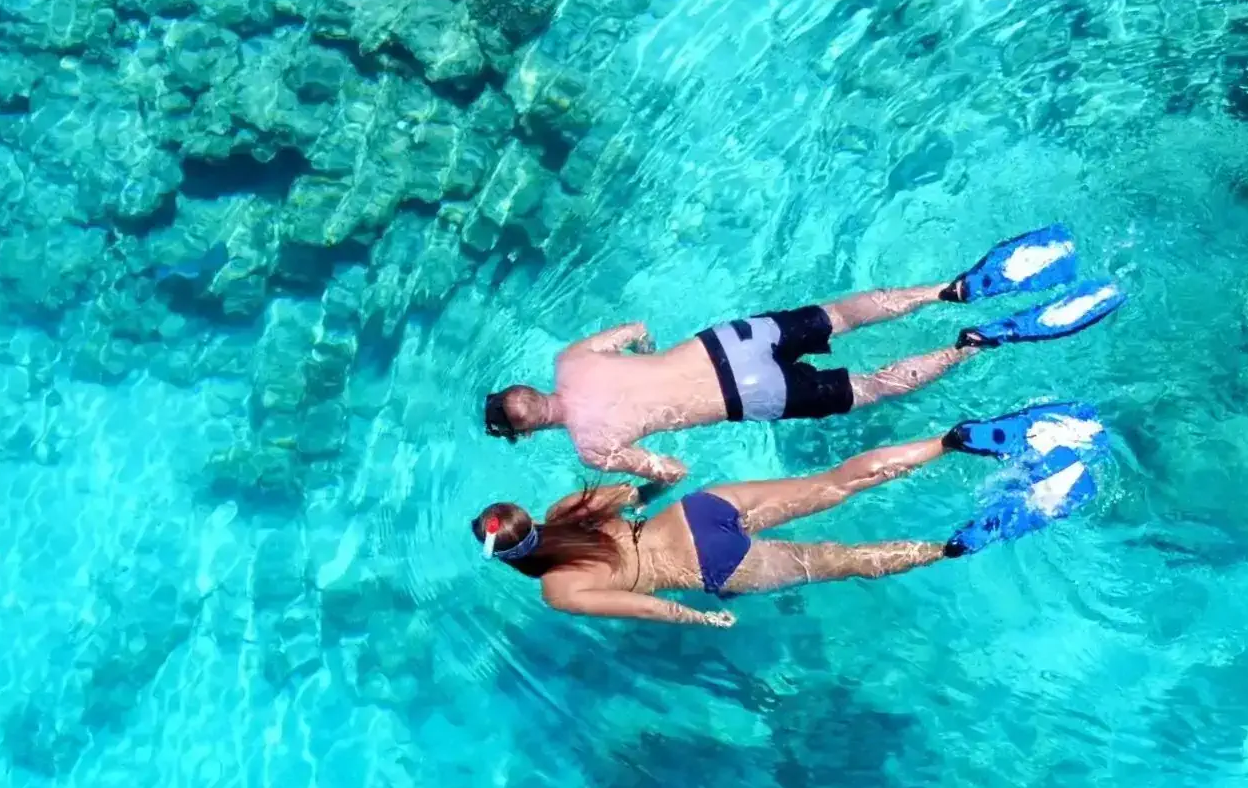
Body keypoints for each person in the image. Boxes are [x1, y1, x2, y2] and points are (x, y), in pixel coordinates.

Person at [479, 227, 1118, 485]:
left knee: (871, 387)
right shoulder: (570, 360)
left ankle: (973, 342)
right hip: (725, 344)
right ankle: (949, 291)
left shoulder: (591, 447)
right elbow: (636, 328)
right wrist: (647, 351)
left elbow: (669, 469)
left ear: (528, 432)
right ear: (530, 391)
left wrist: (647, 492)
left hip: (743, 398)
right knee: (842, 314)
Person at [470, 409, 1105, 628]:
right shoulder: (567, 511)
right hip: (703, 511)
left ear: (505, 557)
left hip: (706, 565)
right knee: (834, 485)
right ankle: (953, 442)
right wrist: (645, 488)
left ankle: (955, 548)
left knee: (844, 561)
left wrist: (702, 616)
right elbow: (652, 488)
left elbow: (643, 607)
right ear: (525, 518)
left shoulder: (559, 589)